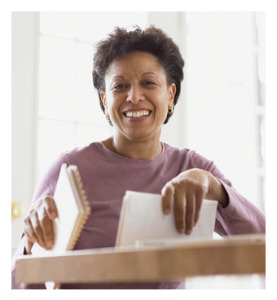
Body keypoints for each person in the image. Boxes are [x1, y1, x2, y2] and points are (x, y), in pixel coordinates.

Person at [12, 25, 265, 289]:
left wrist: (215, 188)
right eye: (120, 86)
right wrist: (31, 246)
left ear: (170, 95)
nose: (134, 97)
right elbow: (15, 284)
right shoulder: (68, 168)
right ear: (104, 100)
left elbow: (265, 245)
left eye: (148, 83)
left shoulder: (195, 169)